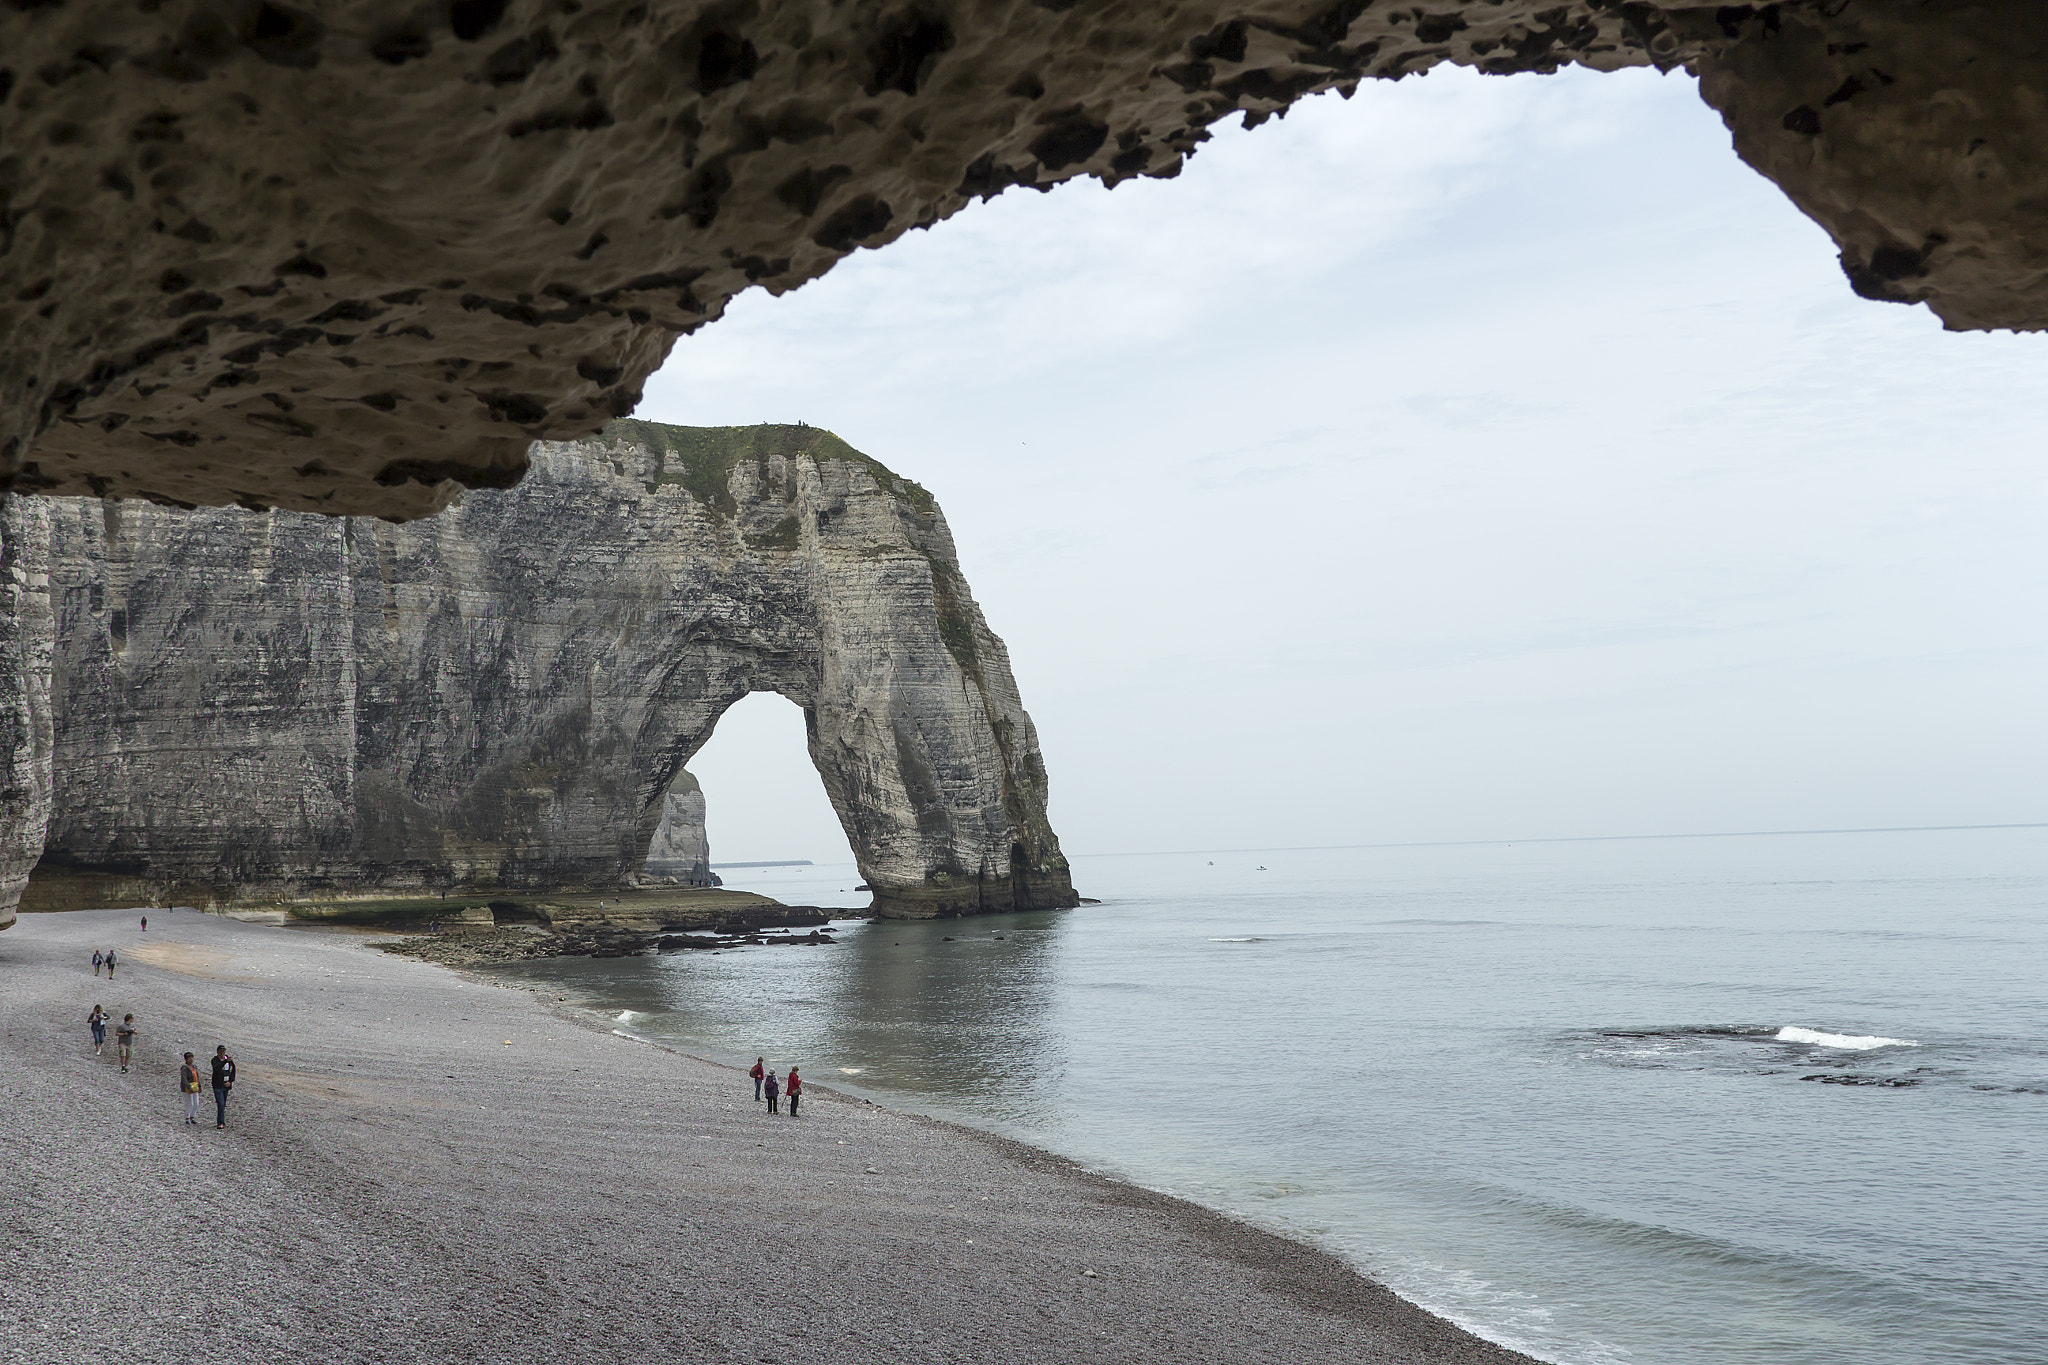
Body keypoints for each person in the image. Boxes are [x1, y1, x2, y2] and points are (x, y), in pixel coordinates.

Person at [210, 1045, 236, 1128]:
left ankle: (222, 1121)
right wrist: (225, 1061)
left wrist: (230, 1081)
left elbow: (233, 1071)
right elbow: (217, 1069)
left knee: (223, 1104)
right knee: (220, 1103)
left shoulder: (229, 1060)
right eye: (221, 1051)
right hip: (218, 1085)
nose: (222, 1053)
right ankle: (220, 1122)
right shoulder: (215, 1060)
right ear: (217, 1052)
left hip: (226, 1085)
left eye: (223, 1051)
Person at [178, 1052, 203, 1125]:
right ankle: (187, 1117)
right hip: (187, 1088)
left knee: (196, 1103)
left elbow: (197, 1077)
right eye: (189, 1058)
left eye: (191, 1057)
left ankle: (193, 1117)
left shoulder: (194, 1067)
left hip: (194, 1086)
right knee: (190, 1103)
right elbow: (184, 1078)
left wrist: (199, 1086)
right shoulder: (184, 1068)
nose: (191, 1059)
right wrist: (188, 1086)